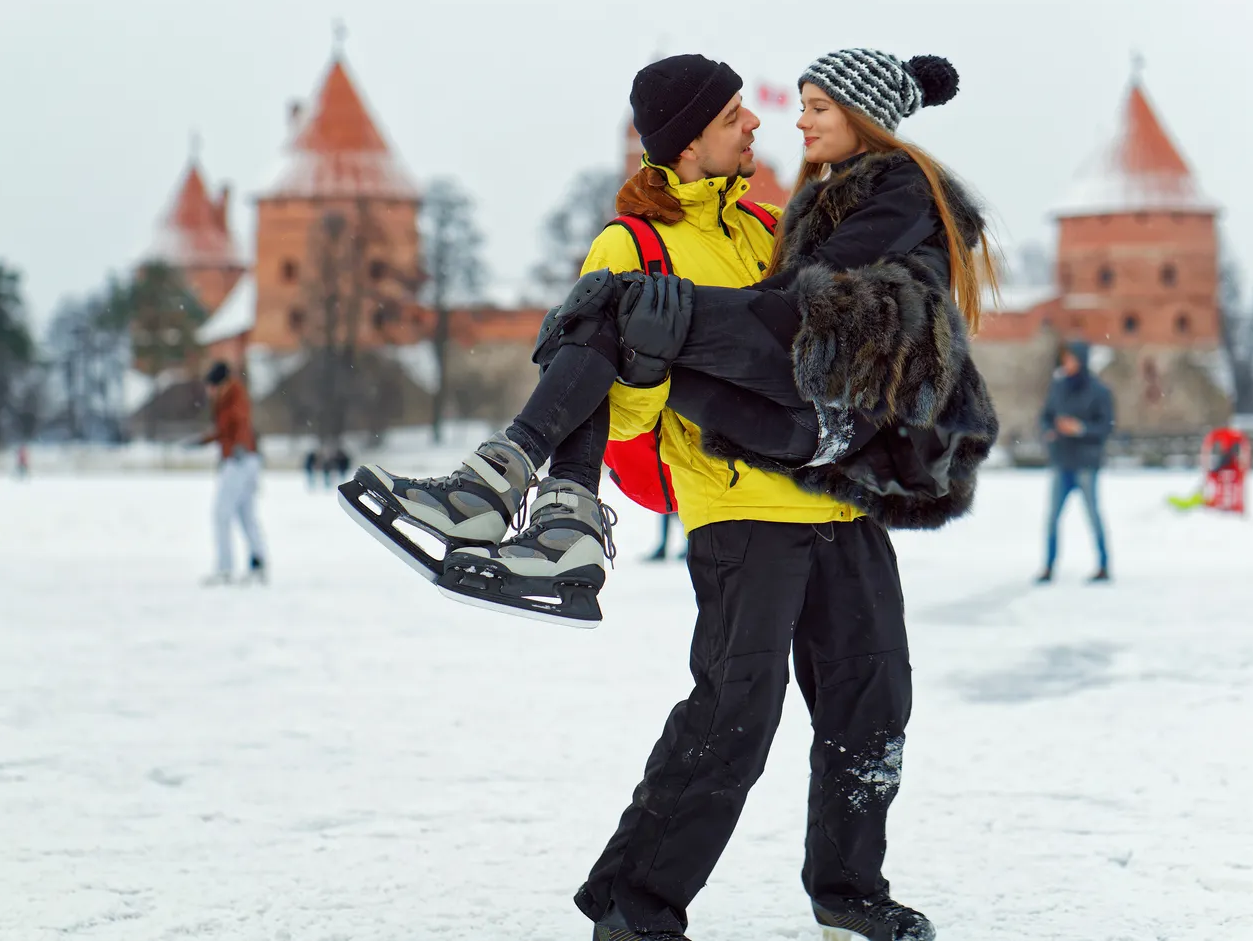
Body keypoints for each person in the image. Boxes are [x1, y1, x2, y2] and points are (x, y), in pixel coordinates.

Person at [345, 50, 1000, 941]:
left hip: (841, 500)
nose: (758, 125)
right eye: (736, 115)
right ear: (689, 140)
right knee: (735, 717)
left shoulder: (774, 225)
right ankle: (635, 906)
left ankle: (849, 884)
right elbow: (620, 420)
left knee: (874, 702)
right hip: (742, 509)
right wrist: (651, 367)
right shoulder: (633, 247)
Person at [1038, 341, 1114, 583]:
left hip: (1086, 464)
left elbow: (1105, 427)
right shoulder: (1058, 387)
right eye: (1065, 359)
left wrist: (1080, 429)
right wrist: (1050, 430)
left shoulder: (1099, 391)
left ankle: (1103, 566)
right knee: (1052, 518)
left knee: (1093, 516)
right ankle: (1048, 567)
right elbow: (1045, 417)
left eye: (1071, 359)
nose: (1067, 364)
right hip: (1061, 461)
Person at [195, 361, 268, 585]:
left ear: (217, 384)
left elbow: (241, 422)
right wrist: (203, 440)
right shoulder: (230, 396)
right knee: (245, 514)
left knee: (221, 514)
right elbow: (226, 429)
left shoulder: (232, 396)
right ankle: (258, 562)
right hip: (247, 459)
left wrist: (239, 446)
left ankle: (224, 569)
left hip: (239, 460)